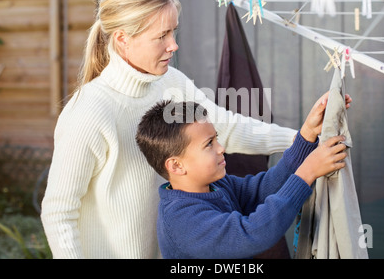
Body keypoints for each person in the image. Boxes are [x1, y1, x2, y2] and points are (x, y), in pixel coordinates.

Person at [41, 0, 351, 259]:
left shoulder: (171, 82)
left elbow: (225, 128)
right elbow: (59, 213)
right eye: (161, 36)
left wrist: (304, 136)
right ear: (122, 38)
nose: (173, 45)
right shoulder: (88, 113)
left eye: (173, 32)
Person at [136, 100, 347, 259]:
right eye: (209, 144)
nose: (221, 148)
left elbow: (264, 189)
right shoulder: (182, 221)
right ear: (176, 165)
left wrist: (307, 134)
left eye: (216, 138)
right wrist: (306, 173)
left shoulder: (216, 185)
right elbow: (252, 233)